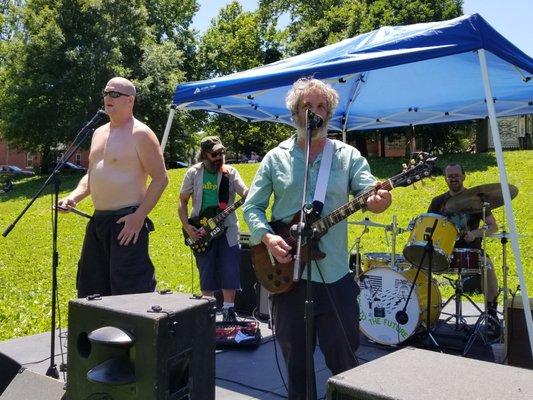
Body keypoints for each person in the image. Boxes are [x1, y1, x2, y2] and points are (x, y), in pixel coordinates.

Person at [242, 78, 392, 400]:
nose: (315, 112)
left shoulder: (347, 156)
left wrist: (379, 200)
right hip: (287, 279)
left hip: (335, 276)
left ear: (330, 113)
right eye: (307, 106)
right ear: (295, 113)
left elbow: (371, 193)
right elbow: (252, 207)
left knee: (345, 363)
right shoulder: (275, 158)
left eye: (321, 106)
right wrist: (267, 238)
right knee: (297, 366)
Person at [58, 77, 168, 298]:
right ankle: (95, 332)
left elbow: (160, 178)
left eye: (114, 94)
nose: (108, 98)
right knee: (91, 287)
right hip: (98, 221)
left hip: (126, 221)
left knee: (129, 291)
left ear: (130, 100)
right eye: (106, 93)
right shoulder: (98, 133)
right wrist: (73, 197)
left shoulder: (141, 133)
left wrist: (139, 216)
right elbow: (91, 176)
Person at [178, 136, 248, 320]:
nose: (219, 156)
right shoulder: (193, 173)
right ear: (204, 154)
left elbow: (244, 192)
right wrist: (187, 227)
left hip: (228, 228)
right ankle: (207, 311)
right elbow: (182, 202)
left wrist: (251, 192)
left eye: (221, 152)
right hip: (201, 231)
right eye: (215, 154)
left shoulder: (230, 173)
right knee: (206, 270)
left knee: (230, 268)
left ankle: (229, 310)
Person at [428, 163, 500, 336]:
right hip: (443, 252)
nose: (453, 178)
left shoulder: (477, 200)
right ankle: (424, 310)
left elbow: (493, 226)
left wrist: (475, 233)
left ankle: (491, 314)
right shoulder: (438, 202)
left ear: (464, 176)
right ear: (445, 178)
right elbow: (429, 226)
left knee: (488, 267)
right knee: (419, 262)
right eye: (450, 176)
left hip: (471, 251)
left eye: (456, 175)